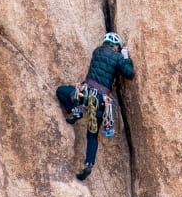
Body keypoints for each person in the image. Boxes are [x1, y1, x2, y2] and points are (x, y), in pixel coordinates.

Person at [56, 32, 135, 180]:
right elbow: (129, 74)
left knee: (61, 91)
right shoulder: (118, 57)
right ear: (116, 46)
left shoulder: (97, 51)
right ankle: (88, 164)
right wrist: (125, 56)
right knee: (92, 135)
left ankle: (75, 111)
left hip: (85, 94)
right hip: (101, 100)